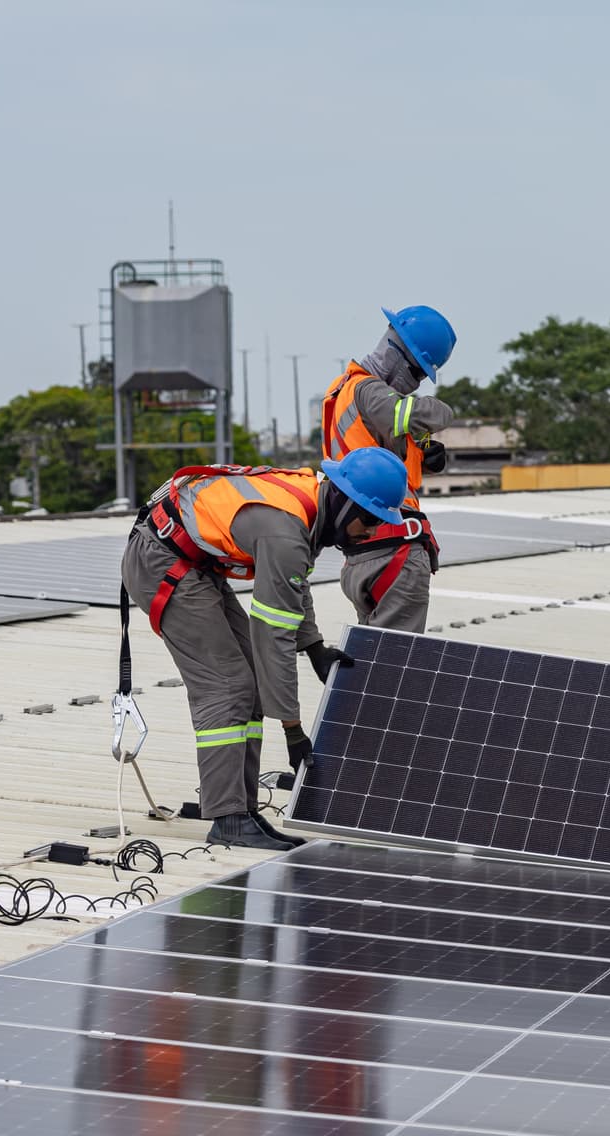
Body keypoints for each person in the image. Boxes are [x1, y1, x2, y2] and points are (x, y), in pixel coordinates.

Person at [120, 448, 412, 851]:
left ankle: (243, 811)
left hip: (192, 562)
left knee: (251, 683)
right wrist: (293, 731)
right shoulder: (284, 530)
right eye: (371, 519)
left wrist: (314, 647)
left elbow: (293, 583)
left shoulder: (310, 507)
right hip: (161, 562)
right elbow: (272, 637)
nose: (371, 532)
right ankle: (228, 818)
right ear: (345, 504)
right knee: (226, 687)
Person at [320, 305, 459, 631]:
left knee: (373, 655)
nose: (417, 384)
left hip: (361, 551)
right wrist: (442, 410)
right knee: (395, 659)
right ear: (399, 355)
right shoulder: (370, 391)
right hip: (393, 546)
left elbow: (369, 455)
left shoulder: (342, 389)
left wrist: (420, 455)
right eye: (418, 373)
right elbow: (415, 414)